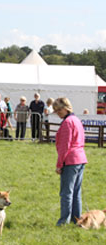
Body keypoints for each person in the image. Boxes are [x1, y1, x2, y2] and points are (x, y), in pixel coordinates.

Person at [53, 97, 87, 226]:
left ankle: (63, 222)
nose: (57, 113)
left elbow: (64, 145)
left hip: (71, 160)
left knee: (66, 193)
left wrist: (59, 164)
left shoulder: (67, 122)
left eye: (58, 110)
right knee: (76, 192)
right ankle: (76, 219)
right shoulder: (77, 120)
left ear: (65, 108)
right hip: (80, 159)